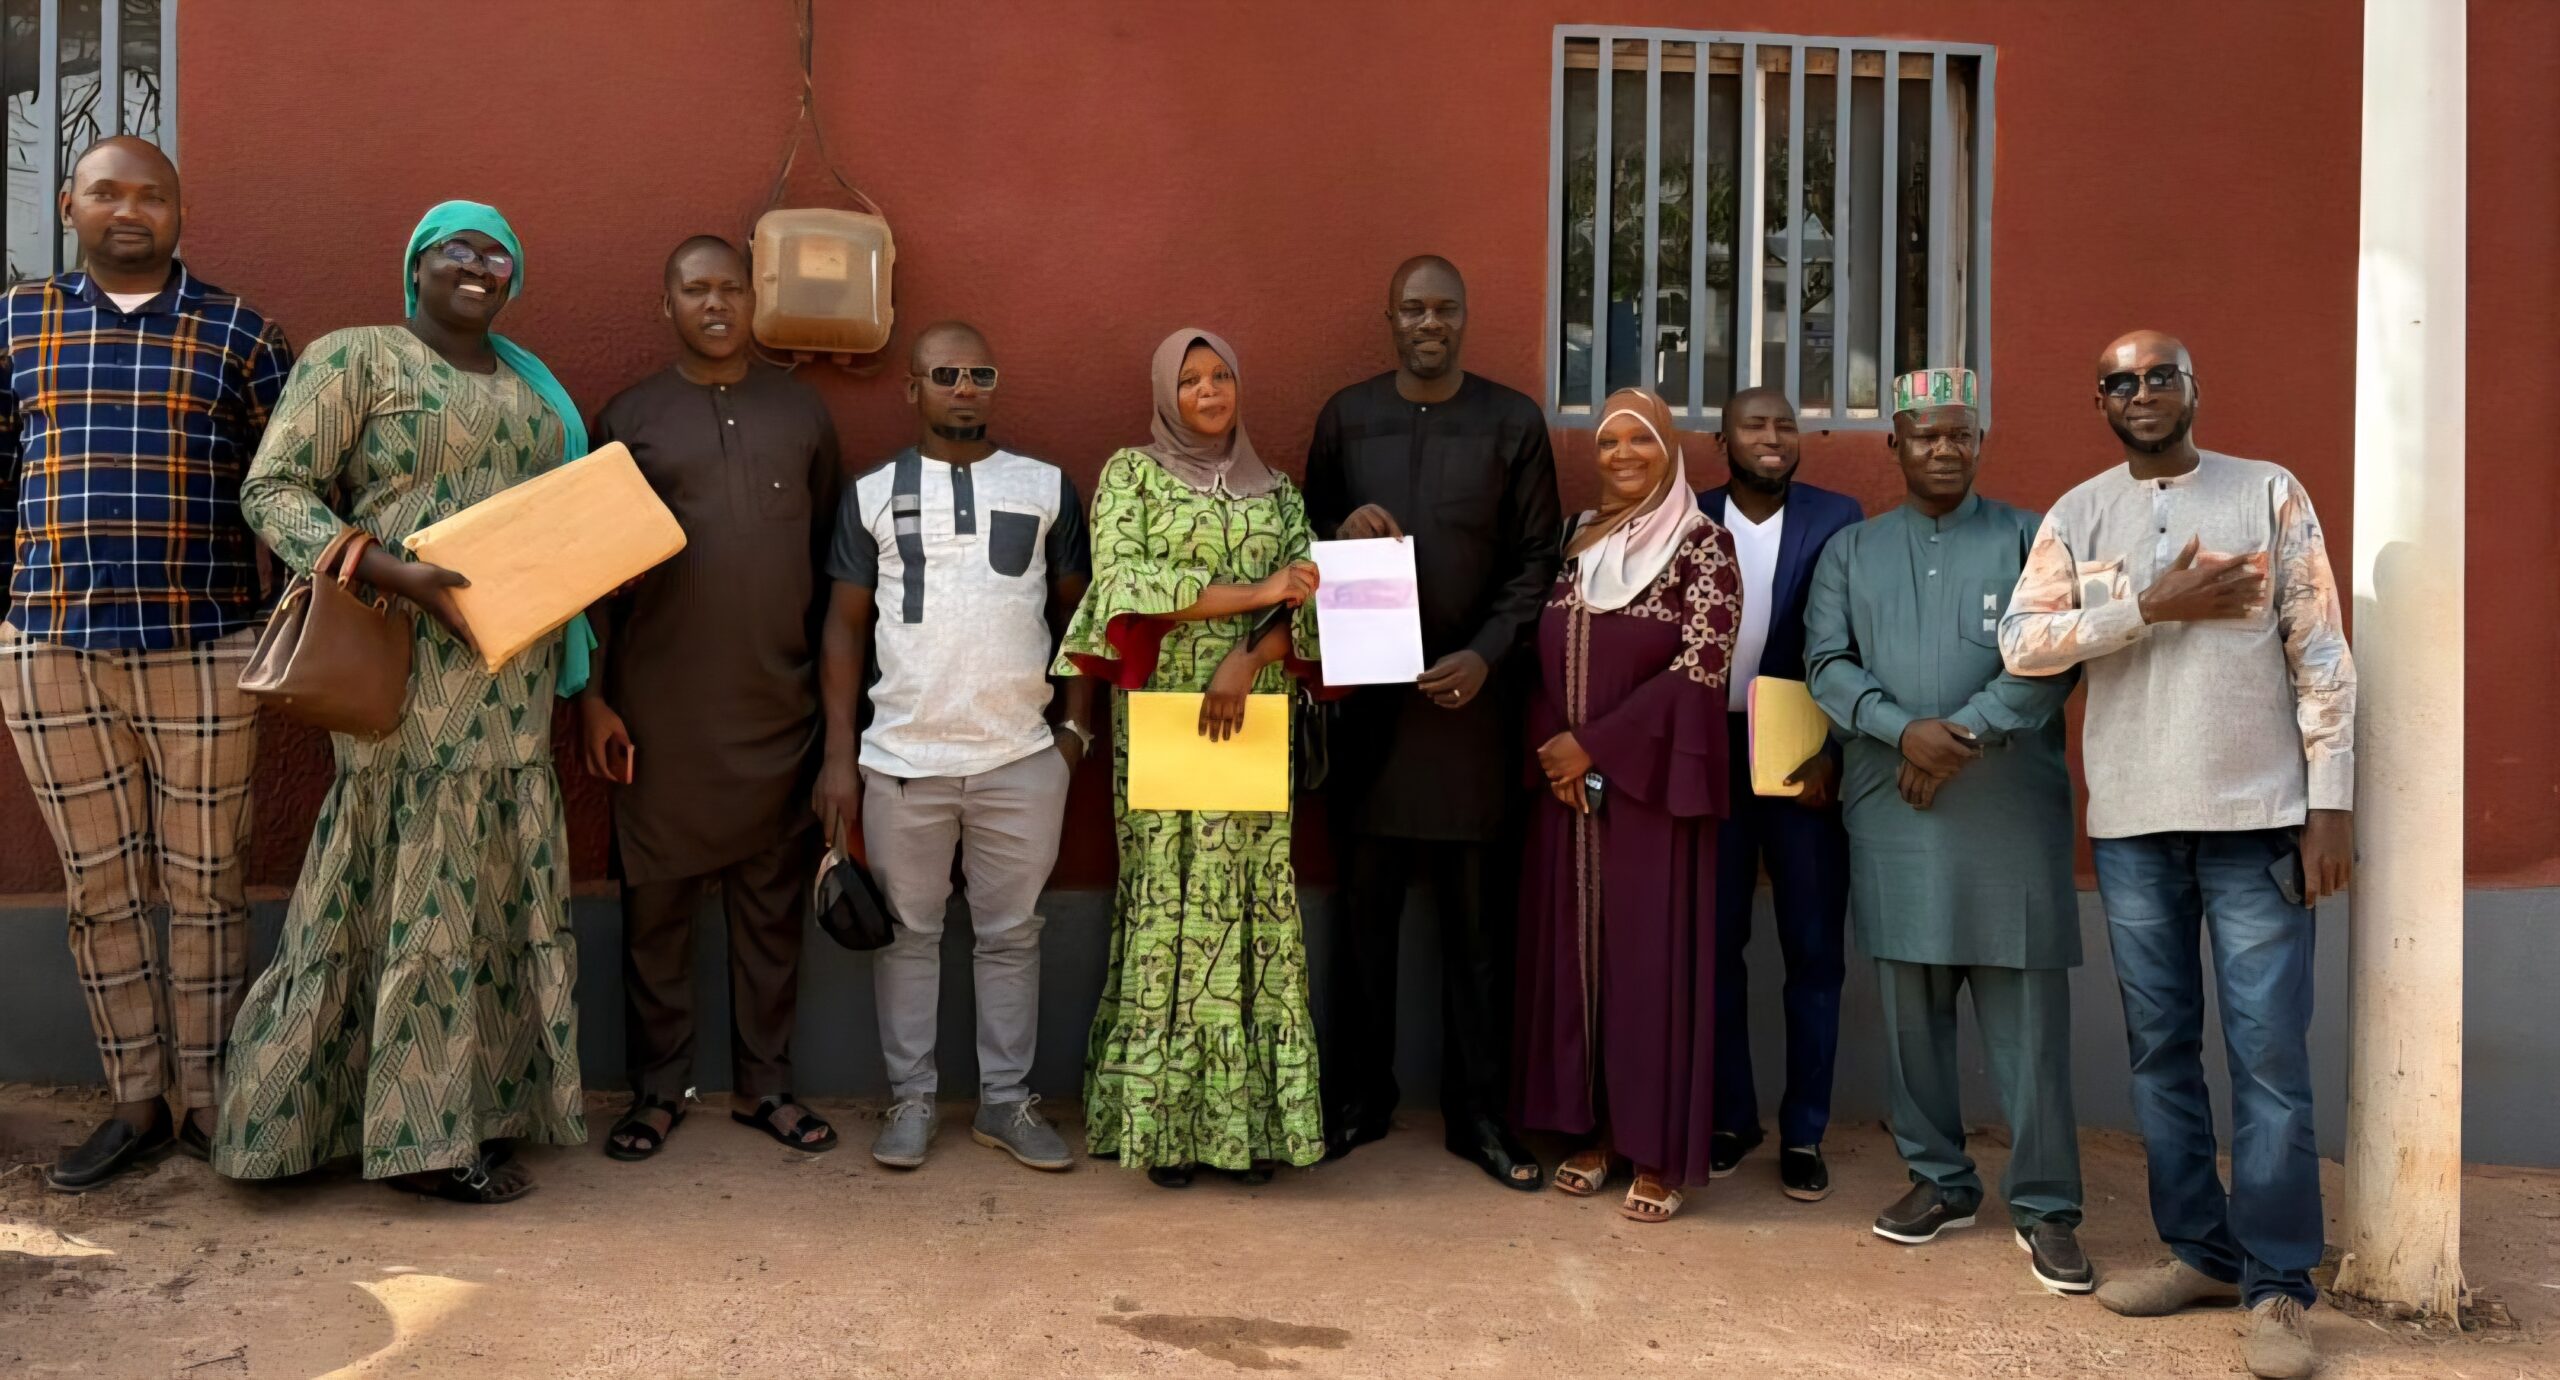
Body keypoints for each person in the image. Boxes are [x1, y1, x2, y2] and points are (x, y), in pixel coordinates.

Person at [213, 202, 596, 1204]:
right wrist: (398, 574)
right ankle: (415, 1143)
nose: (478, 265)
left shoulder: (532, 389)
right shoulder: (358, 359)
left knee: (488, 889)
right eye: (455, 249)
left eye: (497, 253)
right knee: (414, 885)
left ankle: (466, 1110)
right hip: (405, 669)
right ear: (416, 265)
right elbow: (274, 491)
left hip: (510, 679)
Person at [2000, 331, 2354, 1380]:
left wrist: (2329, 805)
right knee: (2160, 1049)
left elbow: (2320, 652)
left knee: (2269, 1057)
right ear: (2100, 401)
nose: (2143, 391)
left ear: (2194, 388)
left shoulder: (2267, 492)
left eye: (2162, 376)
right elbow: (2021, 642)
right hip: (2134, 825)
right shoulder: (2078, 513)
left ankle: (2279, 1285)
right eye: (2121, 381)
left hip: (2257, 818)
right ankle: (2200, 1253)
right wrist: (2146, 606)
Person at [0, 137, 291, 1191]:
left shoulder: (242, 334)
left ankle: (210, 1104)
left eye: (152, 195)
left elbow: (286, 489)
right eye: (107, 192)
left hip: (206, 647)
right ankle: (135, 1102)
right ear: (68, 206)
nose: (130, 210)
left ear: (180, 212)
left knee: (208, 881)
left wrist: (279, 620)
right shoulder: (15, 323)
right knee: (100, 887)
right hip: (51, 649)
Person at [1803, 367, 2091, 1294]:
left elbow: (2053, 662)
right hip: (1895, 812)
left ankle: (2047, 1206)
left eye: (1959, 434)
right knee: (1910, 1016)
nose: (1943, 449)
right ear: (1894, 443)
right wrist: (1901, 733)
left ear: (1980, 443)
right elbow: (1826, 664)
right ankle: (1940, 1180)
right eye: (1924, 434)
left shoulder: (2032, 538)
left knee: (2029, 1028)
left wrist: (1954, 737)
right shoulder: (1851, 552)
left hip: (2008, 816)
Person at [580, 235, 843, 1160]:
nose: (716, 303)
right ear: (668, 306)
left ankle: (765, 1089)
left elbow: (830, 566)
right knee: (654, 917)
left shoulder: (802, 412)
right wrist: (593, 700)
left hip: (779, 706)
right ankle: (657, 1092)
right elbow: (596, 575)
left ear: (754, 299)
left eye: (732, 288)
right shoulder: (629, 418)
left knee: (771, 913)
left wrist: (835, 719)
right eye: (696, 289)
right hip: (659, 716)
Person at [1303, 255, 1559, 1191]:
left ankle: (1478, 1113)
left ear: (1465, 317)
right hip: (1370, 718)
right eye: (1412, 308)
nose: (1429, 323)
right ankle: (1359, 1100)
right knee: (1363, 927)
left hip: (1474, 716)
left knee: (1479, 933)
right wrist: (1338, 532)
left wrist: (1487, 654)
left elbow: (1538, 559)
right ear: (1389, 317)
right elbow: (1304, 538)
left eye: (1444, 308)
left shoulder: (1512, 421)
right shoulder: (1346, 416)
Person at [815, 320, 1093, 1173]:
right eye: (945, 375)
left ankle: (1006, 1103)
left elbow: (1081, 615)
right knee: (908, 935)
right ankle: (912, 1099)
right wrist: (839, 759)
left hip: (1021, 758)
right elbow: (843, 629)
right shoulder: (871, 493)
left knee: (1012, 934)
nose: (964, 387)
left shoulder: (1045, 486)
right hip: (903, 760)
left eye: (980, 374)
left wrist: (1077, 731)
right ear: (913, 389)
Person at [1053, 328, 1326, 1188]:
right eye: (1191, 379)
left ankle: (1246, 1129)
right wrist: (1260, 592)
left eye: (1221, 376)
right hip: (1165, 717)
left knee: (1252, 902)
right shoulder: (1130, 476)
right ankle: (1166, 1131)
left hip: (1253, 713)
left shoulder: (1279, 492)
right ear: (1166, 392)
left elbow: (1311, 595)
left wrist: (1247, 657)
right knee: (1170, 900)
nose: (1209, 391)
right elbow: (1124, 584)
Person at [1515, 387, 1740, 1224]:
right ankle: (1594, 1132)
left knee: (1649, 967)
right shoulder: (1578, 539)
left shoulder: (1703, 546)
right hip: (1567, 794)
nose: (1621, 455)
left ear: (1669, 449)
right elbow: (1541, 653)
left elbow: (1702, 667)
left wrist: (1596, 747)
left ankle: (1655, 1150)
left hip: (1652, 796)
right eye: (1608, 441)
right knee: (1578, 962)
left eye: (1639, 440)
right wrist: (1557, 750)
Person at [1695, 386, 1862, 1200]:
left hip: (1804, 753)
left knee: (1814, 950)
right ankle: (1732, 1118)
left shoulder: (1838, 517)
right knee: (1715, 944)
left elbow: (1860, 639)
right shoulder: (1689, 517)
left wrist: (1834, 750)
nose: (1773, 436)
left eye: (1785, 425)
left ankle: (1804, 1131)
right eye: (1755, 425)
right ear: (1722, 440)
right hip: (1710, 756)